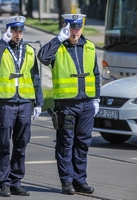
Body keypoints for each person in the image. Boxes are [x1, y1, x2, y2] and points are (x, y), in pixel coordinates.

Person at [37, 14, 100, 195]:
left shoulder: (89, 46)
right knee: (65, 144)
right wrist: (58, 39)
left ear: (82, 28)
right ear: (66, 28)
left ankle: (80, 180)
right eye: (72, 28)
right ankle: (67, 182)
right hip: (67, 105)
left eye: (78, 28)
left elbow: (95, 74)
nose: (75, 32)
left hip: (87, 103)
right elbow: (42, 57)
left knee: (83, 143)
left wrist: (96, 98)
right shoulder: (59, 48)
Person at [0, 16, 43, 197]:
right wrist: (2, 42)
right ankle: (4, 182)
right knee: (3, 144)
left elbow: (35, 78)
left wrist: (38, 102)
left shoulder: (29, 51)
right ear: (8, 31)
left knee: (21, 144)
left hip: (25, 102)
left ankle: (16, 181)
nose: (18, 35)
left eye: (20, 31)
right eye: (15, 31)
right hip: (6, 102)